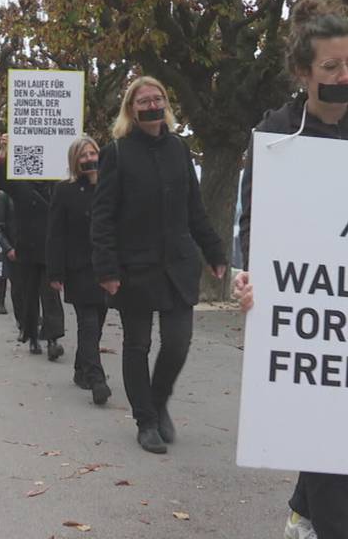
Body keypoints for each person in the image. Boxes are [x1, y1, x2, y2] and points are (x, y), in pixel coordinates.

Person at [233, 0, 348, 539]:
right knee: (329, 434)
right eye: (331, 67)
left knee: (340, 428)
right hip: (302, 308)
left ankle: (302, 510)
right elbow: (252, 217)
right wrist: (244, 275)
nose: (345, 75)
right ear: (304, 72)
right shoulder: (276, 135)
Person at [91, 75, 227, 455]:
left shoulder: (180, 149)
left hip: (178, 264)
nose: (152, 105)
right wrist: (107, 270)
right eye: (143, 100)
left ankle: (158, 397)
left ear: (167, 105)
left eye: (158, 98)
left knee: (178, 343)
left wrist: (214, 252)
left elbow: (194, 208)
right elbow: (102, 217)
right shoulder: (116, 152)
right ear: (131, 109)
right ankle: (145, 420)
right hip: (135, 267)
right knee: (137, 344)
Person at [47, 136, 112, 405]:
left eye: (92, 153)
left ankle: (80, 368)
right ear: (75, 161)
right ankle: (97, 378)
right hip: (78, 268)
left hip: (106, 268)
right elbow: (55, 234)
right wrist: (55, 273)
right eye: (82, 155)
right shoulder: (64, 190)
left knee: (97, 323)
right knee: (87, 323)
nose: (88, 159)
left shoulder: (111, 187)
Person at [0, 136, 65, 359]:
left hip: (50, 250)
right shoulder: (17, 186)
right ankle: (32, 335)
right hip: (25, 250)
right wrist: (4, 150)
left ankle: (53, 339)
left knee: (51, 296)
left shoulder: (58, 186)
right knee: (28, 295)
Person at [0, 188, 24, 330]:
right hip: (15, 250)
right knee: (19, 288)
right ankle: (23, 323)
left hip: (40, 250)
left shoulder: (46, 189)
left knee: (45, 291)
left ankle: (52, 336)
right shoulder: (5, 195)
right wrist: (8, 248)